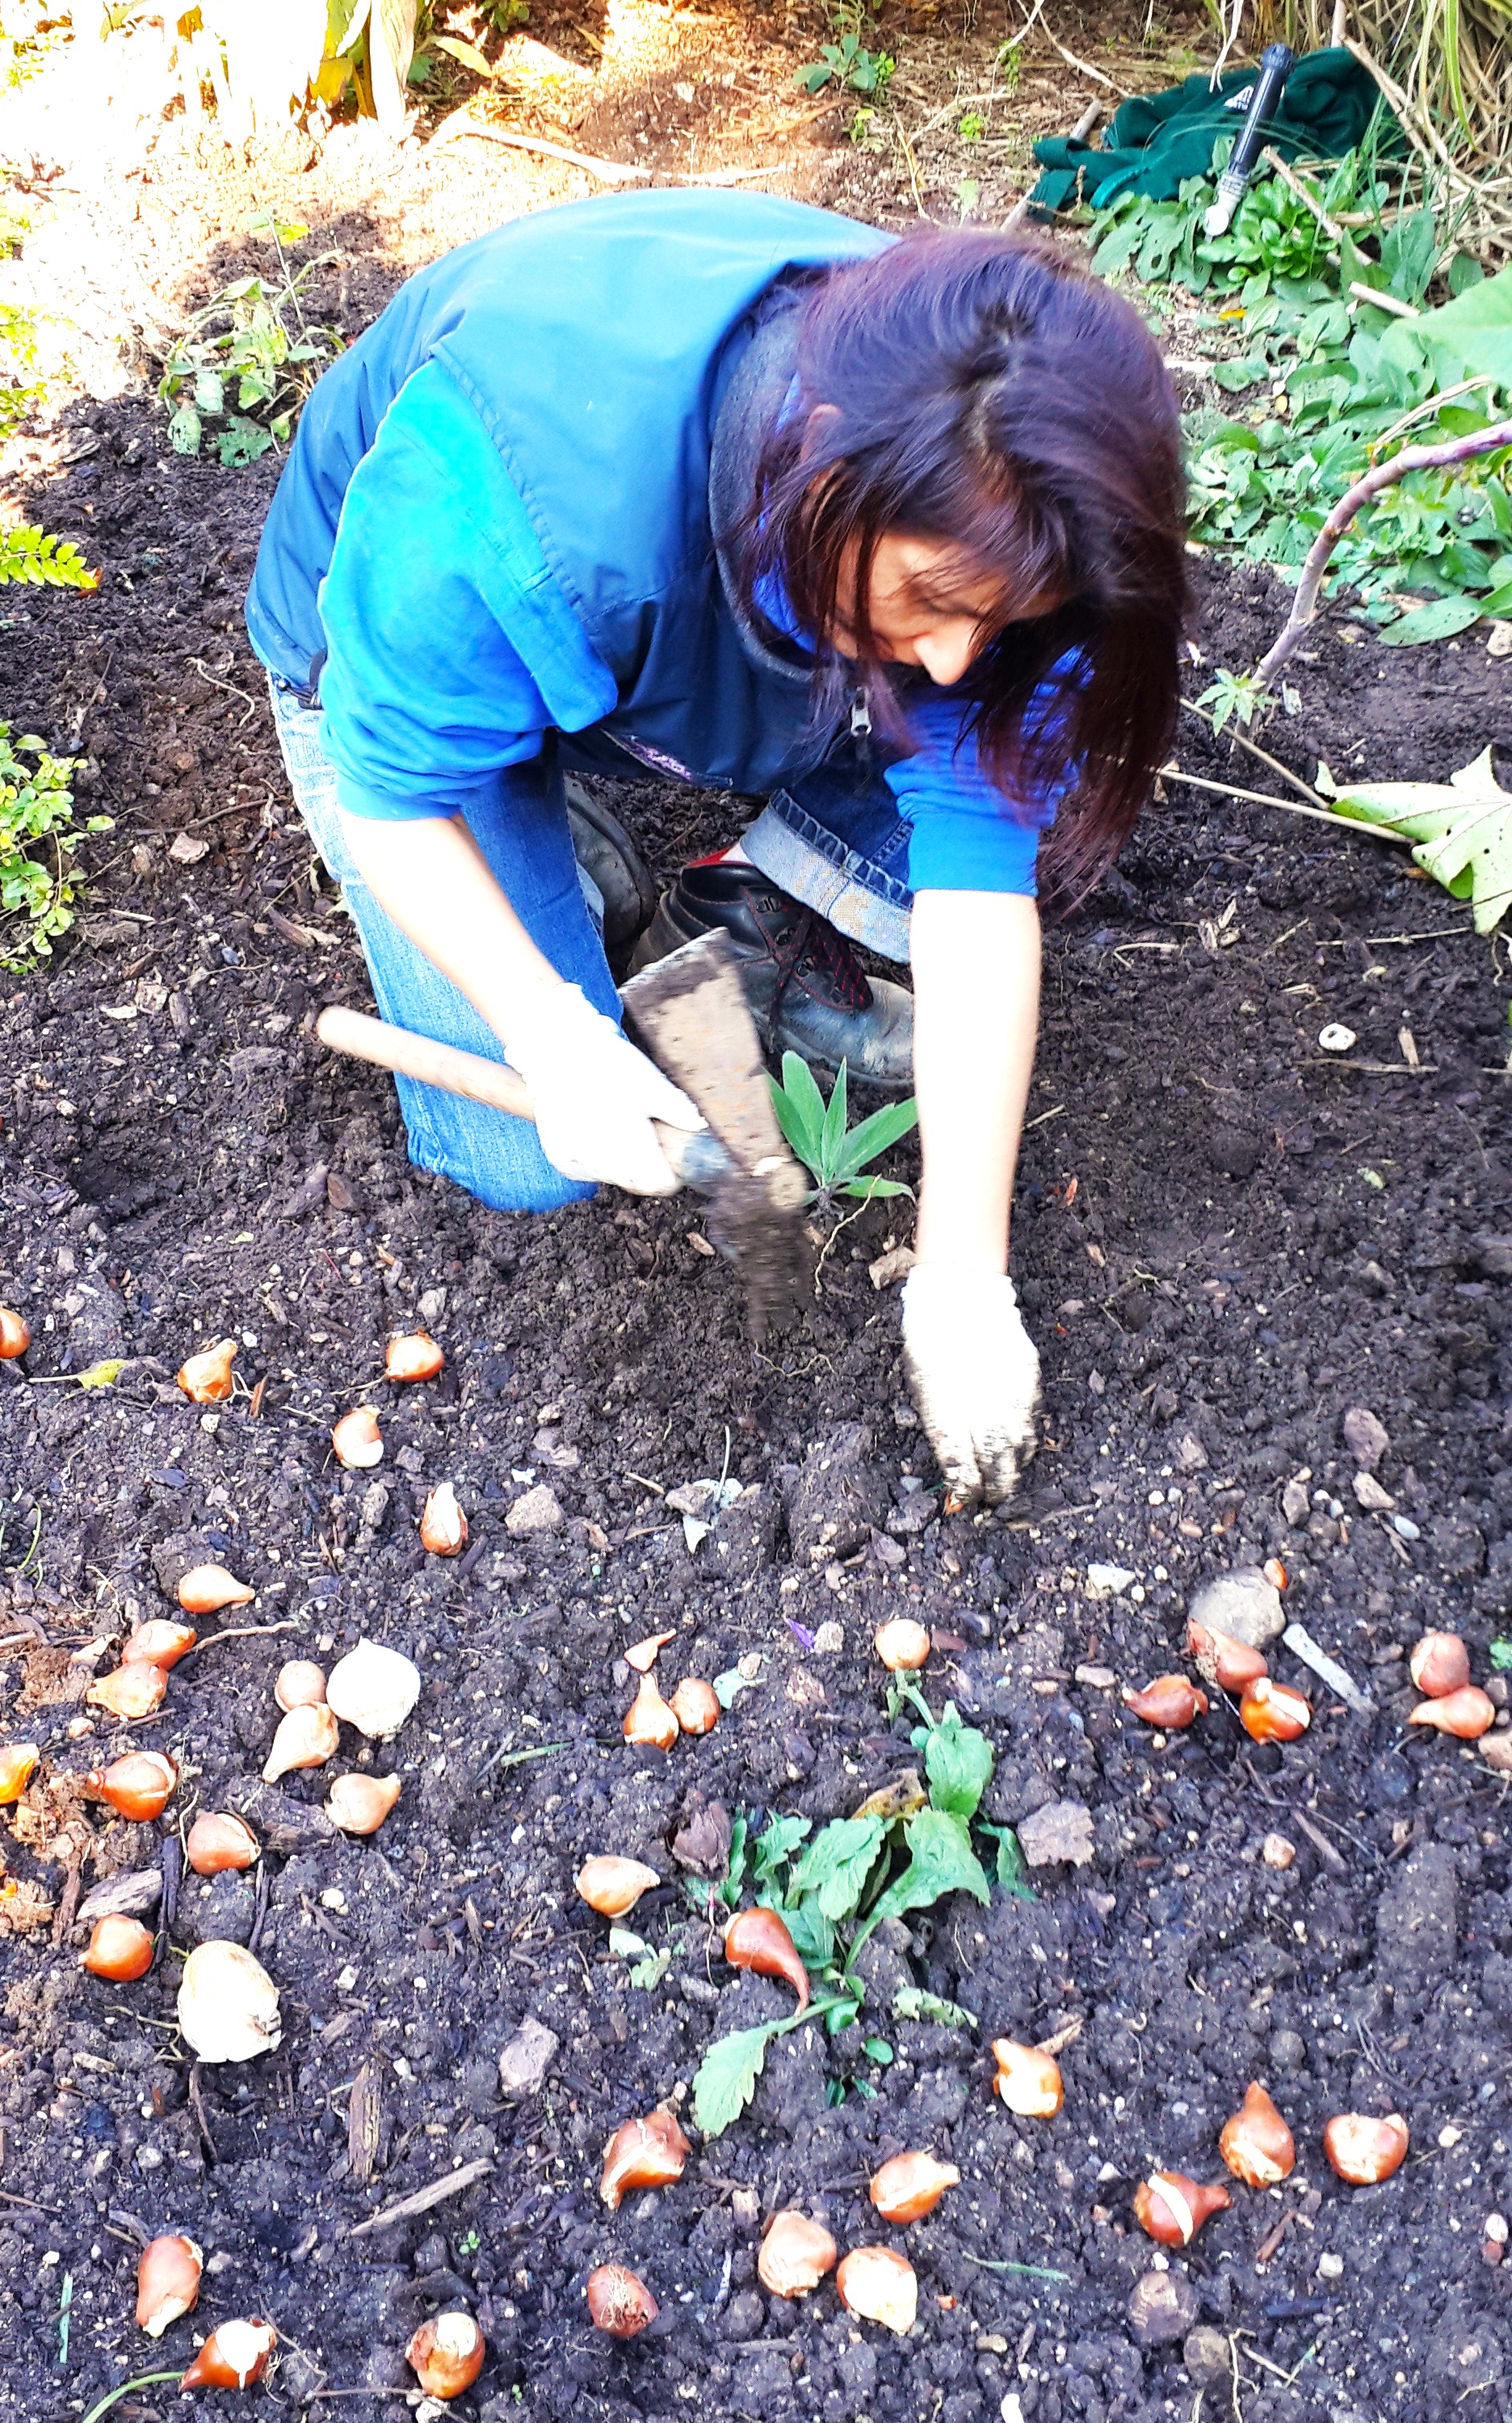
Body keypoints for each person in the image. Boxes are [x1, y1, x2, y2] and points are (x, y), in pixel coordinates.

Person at [246, 190, 1184, 1508]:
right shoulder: (502, 495)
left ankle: (734, 910)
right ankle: (527, 800)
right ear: (825, 468)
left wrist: (963, 1280)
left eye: (1000, 615)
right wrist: (549, 1036)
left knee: (991, 725)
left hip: (702, 623)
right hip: (412, 668)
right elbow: (390, 798)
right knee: (529, 1163)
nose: (956, 658)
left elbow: (977, 881)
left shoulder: (1011, 492)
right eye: (929, 600)